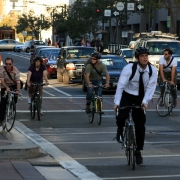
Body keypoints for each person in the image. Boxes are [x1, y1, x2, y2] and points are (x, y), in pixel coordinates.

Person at [113, 47, 157, 165]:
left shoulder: (152, 70)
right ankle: (120, 129)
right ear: (137, 58)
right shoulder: (128, 69)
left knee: (140, 125)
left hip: (141, 97)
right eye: (142, 56)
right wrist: (117, 103)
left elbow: (150, 88)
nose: (144, 58)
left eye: (146, 56)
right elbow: (121, 86)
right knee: (122, 115)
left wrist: (145, 102)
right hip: (127, 95)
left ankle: (138, 151)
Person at [0, 57, 21, 125]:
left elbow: (18, 82)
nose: (8, 65)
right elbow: (2, 81)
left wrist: (18, 90)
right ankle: (1, 120)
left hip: (13, 85)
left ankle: (12, 105)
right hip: (4, 85)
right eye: (6, 64)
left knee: (15, 97)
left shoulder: (16, 70)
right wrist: (6, 87)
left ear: (12, 64)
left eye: (9, 64)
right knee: (2, 103)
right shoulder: (2, 70)